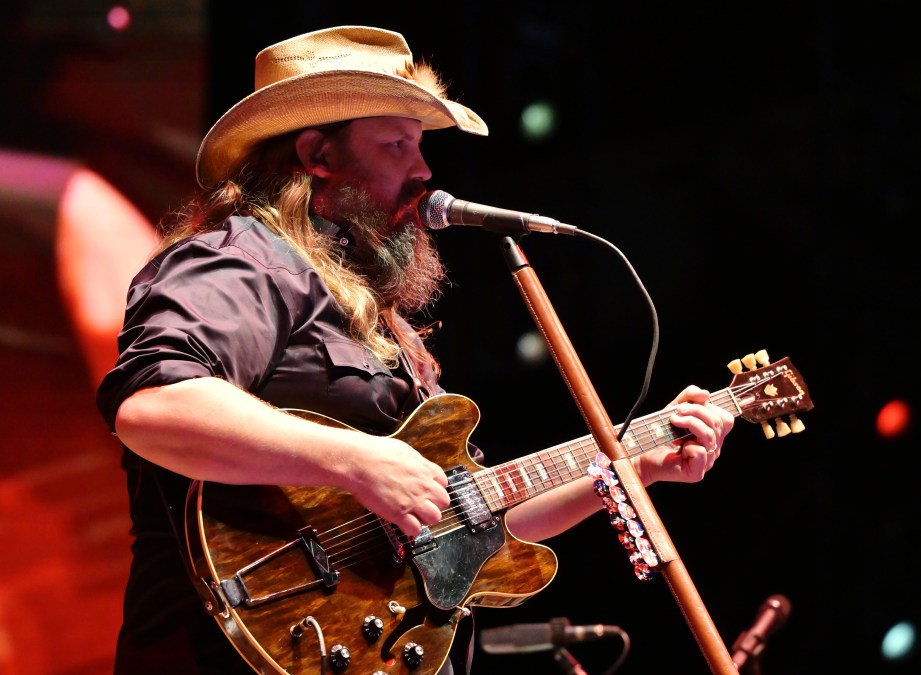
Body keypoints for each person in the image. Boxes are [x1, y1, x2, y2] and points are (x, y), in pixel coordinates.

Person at [96, 25, 734, 675]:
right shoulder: (241, 261)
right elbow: (153, 407)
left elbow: (471, 512)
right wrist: (359, 460)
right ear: (318, 153)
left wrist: (631, 463)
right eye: (397, 144)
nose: (424, 170)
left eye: (420, 145)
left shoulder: (378, 318)